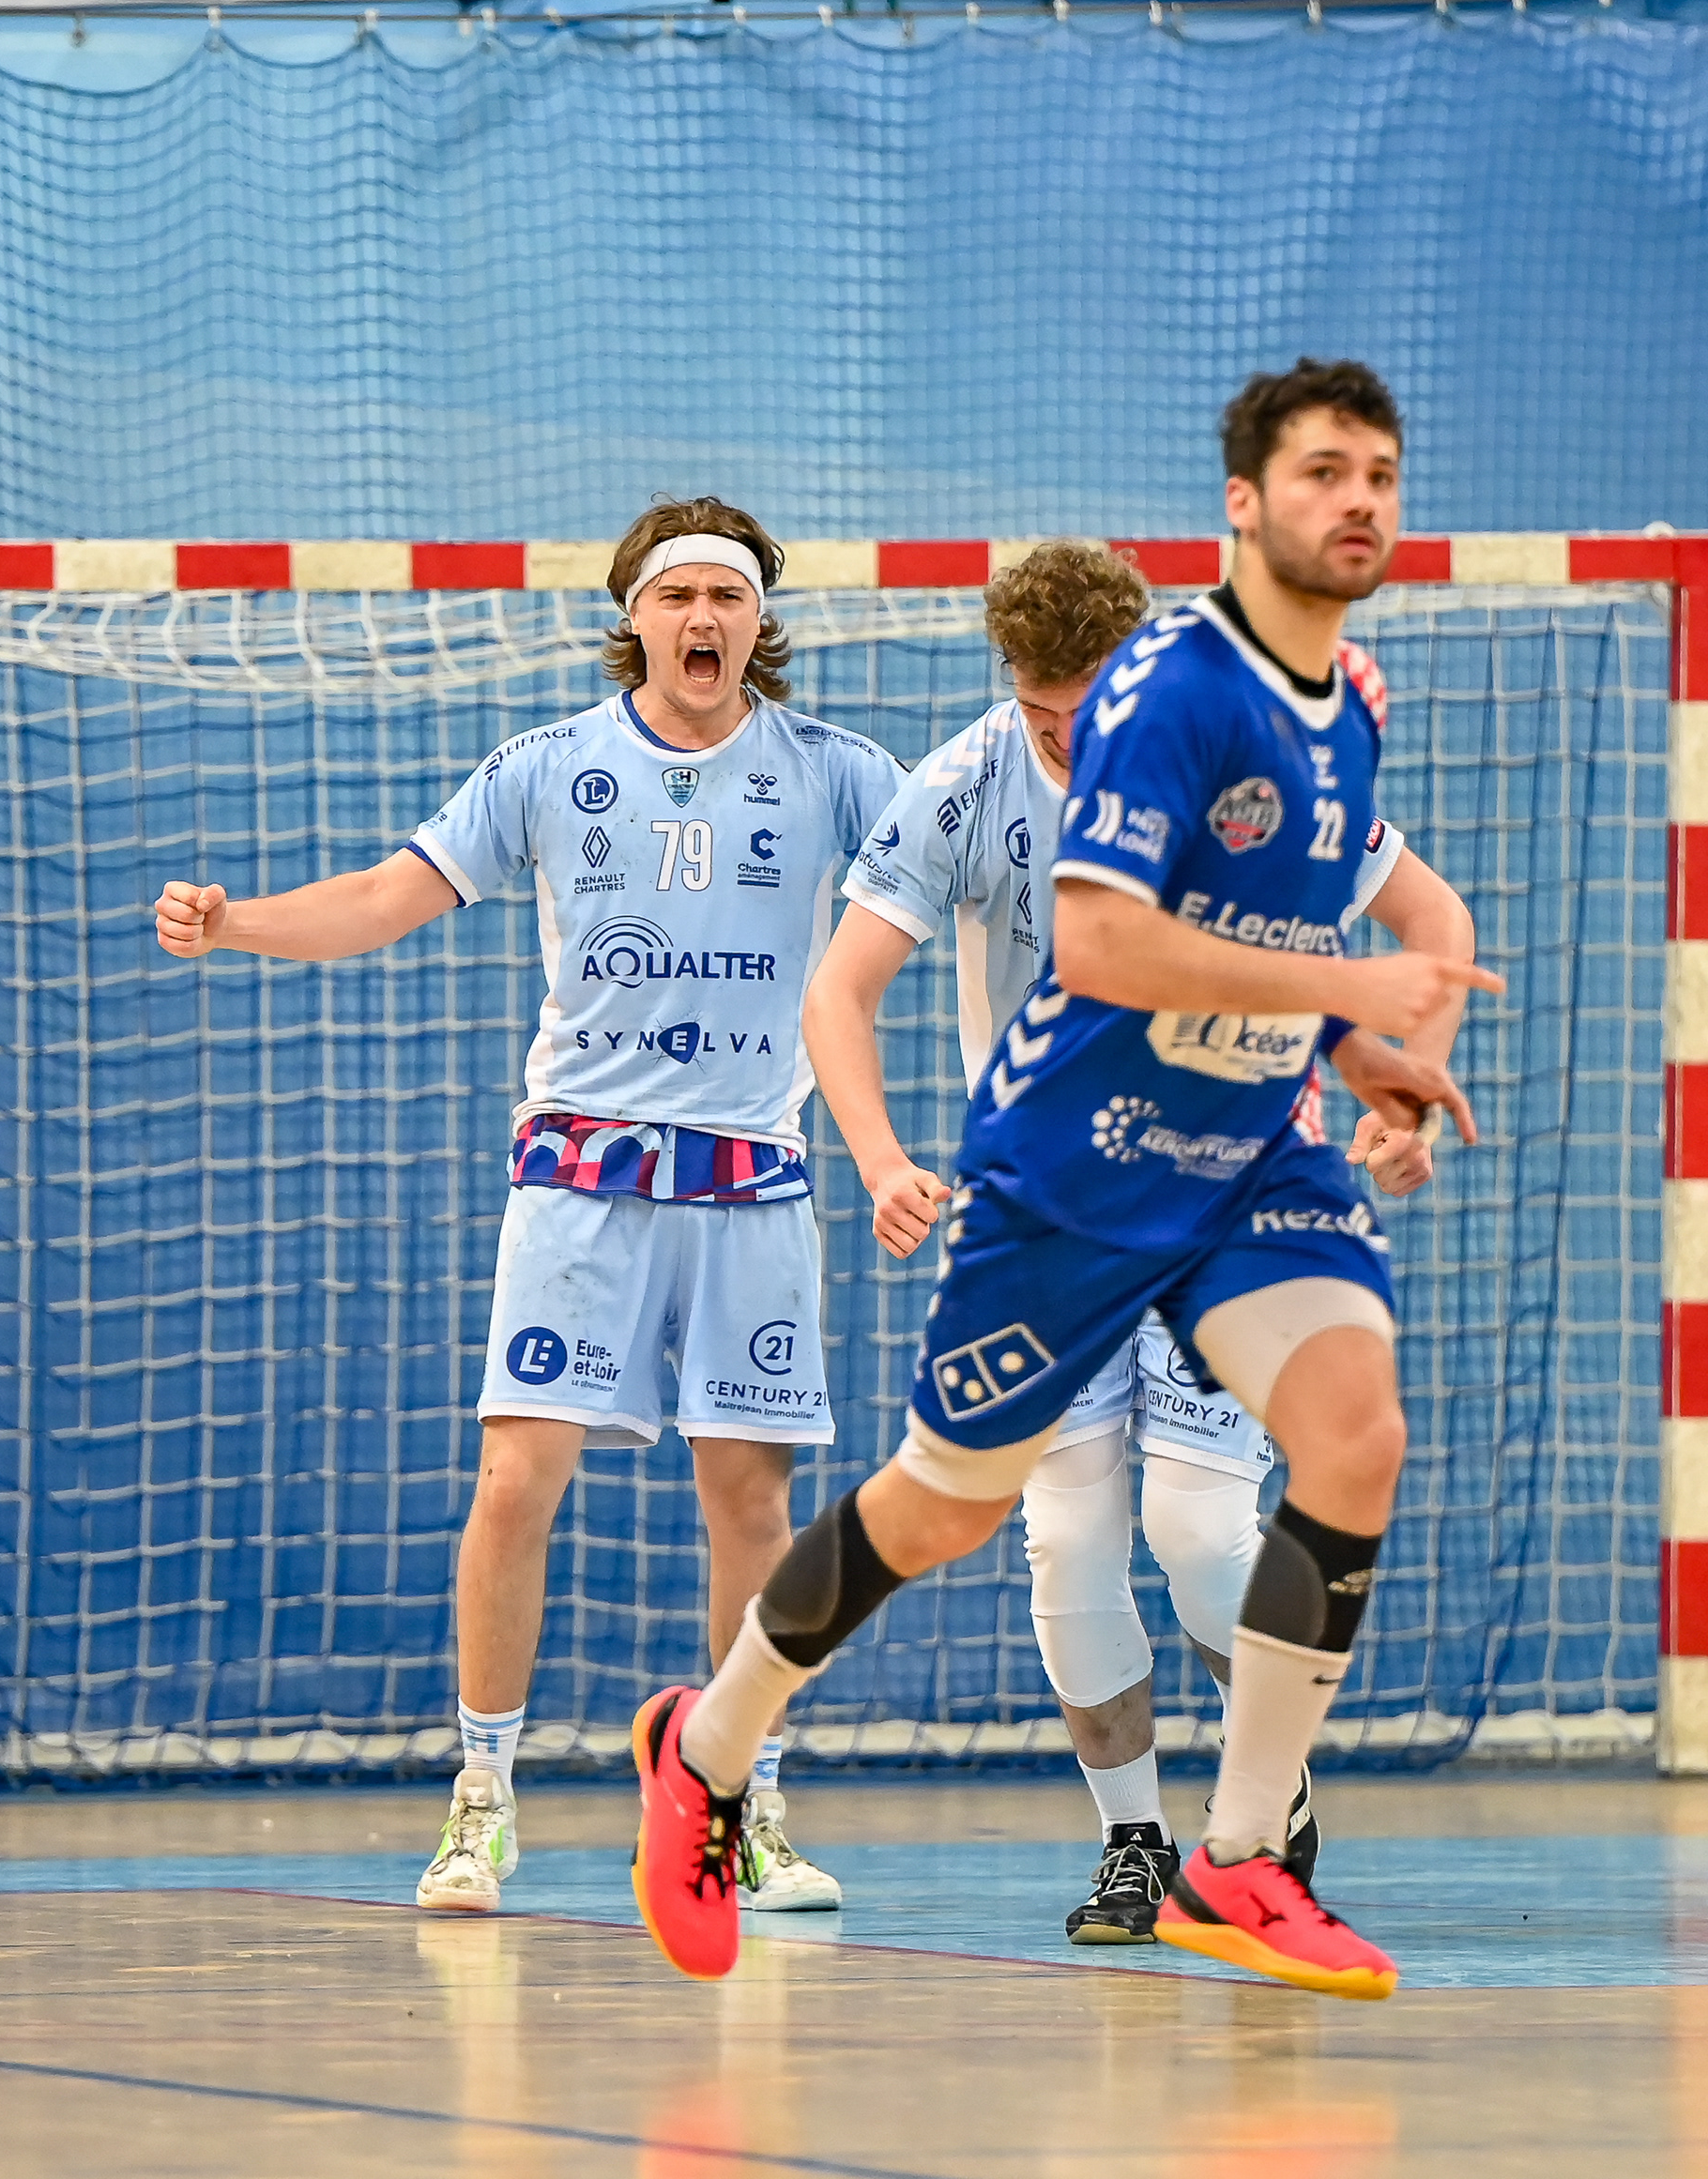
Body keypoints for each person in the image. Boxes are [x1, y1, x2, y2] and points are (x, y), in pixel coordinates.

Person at [626, 358, 1504, 1998]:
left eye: (1380, 472)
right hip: (1072, 1174)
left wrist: (1382, 1052)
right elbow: (1098, 945)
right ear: (1244, 504)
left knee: (1349, 1437)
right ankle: (712, 1745)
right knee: (951, 1511)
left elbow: (1332, 922)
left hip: (1246, 1161)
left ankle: (1238, 1853)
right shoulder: (1140, 711)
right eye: (1322, 472)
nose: (1358, 501)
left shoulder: (1345, 704)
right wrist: (1344, 1000)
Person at [153, 495, 903, 1918]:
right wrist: (237, 921)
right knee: (515, 1479)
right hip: (581, 1174)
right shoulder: (550, 768)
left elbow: (973, 873)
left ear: (759, 620)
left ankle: (739, 1807)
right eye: (676, 595)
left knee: (753, 1500)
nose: (701, 618)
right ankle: (483, 1799)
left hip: (751, 1175)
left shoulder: (838, 773)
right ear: (634, 618)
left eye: (726, 596)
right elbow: (384, 896)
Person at [805, 538, 1474, 1943]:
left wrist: (1407, 1092)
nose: (1066, 737)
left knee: (1196, 1526)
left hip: (1222, 1194)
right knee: (1067, 1542)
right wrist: (879, 1158)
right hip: (1051, 1212)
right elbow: (838, 991)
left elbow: (1433, 917)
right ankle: (1134, 1845)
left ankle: (1262, 1801)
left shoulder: (1245, 756)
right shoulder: (966, 786)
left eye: (1089, 707)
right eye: (1040, 712)